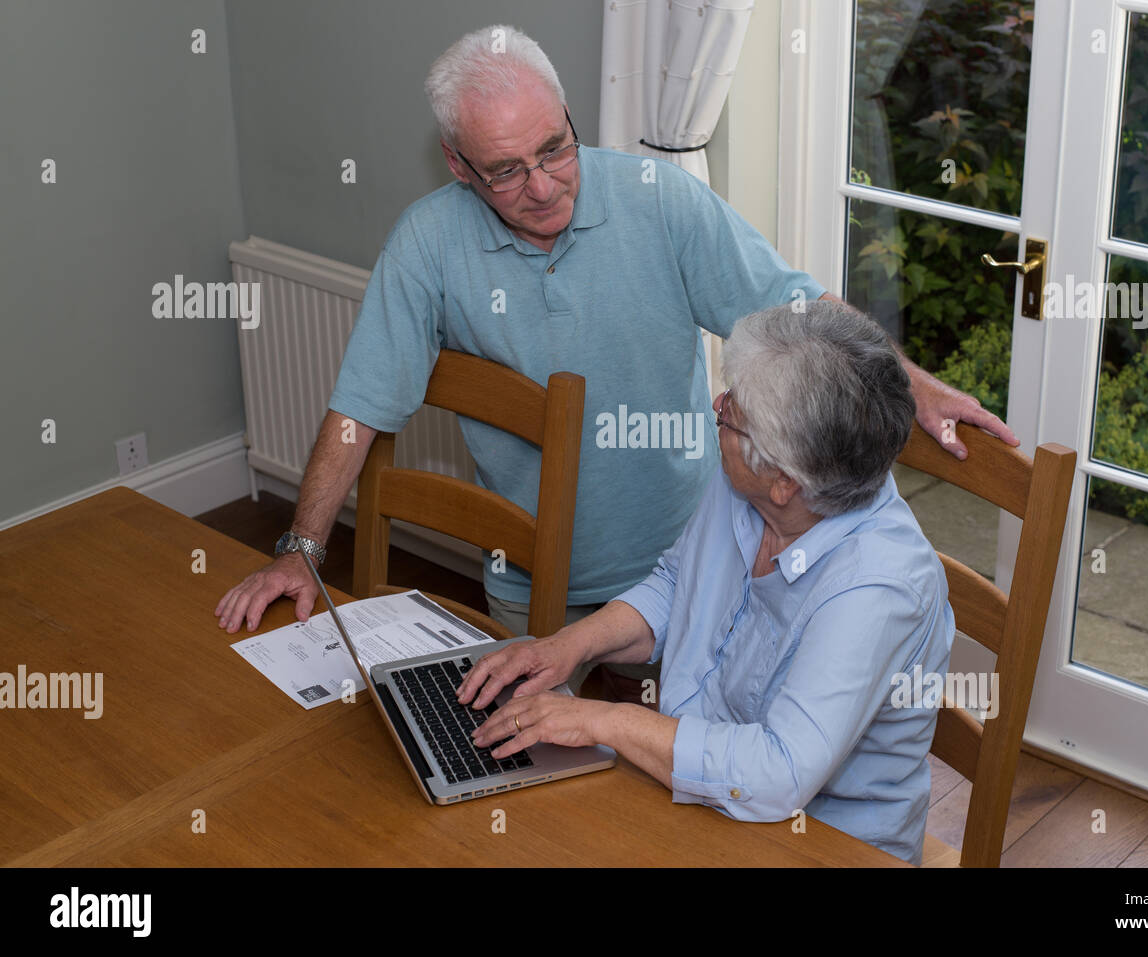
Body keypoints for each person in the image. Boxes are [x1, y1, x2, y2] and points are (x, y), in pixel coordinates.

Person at [214, 25, 1008, 678]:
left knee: (670, 785)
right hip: (530, 585)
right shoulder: (428, 242)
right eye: (506, 170)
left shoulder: (658, 201)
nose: (544, 184)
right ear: (459, 168)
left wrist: (920, 387)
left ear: (568, 115)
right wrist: (300, 550)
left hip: (686, 569)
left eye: (556, 148)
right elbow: (359, 408)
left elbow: (799, 310)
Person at [456, 302, 954, 865]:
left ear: (787, 481)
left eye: (734, 411)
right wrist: (570, 647)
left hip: (818, 842)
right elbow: (677, 586)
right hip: (692, 789)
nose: (719, 407)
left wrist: (605, 720)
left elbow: (777, 775)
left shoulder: (877, 589)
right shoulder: (751, 479)